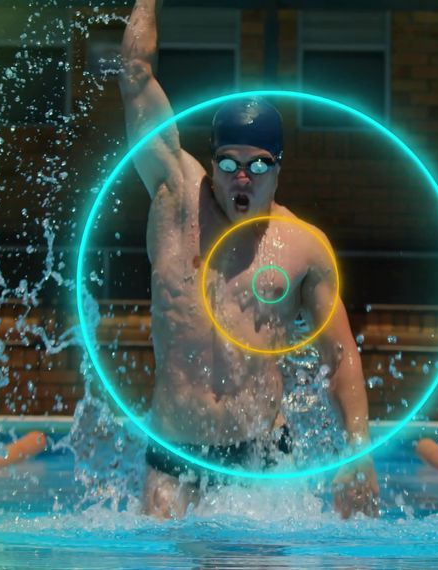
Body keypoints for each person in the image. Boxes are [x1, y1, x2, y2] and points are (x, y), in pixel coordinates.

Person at [119, 0, 378, 519]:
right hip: (174, 452)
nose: (243, 176)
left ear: (278, 169)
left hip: (260, 454)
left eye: (259, 164)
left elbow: (340, 355)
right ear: (210, 163)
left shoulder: (303, 245)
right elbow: (134, 73)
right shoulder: (175, 198)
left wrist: (358, 451)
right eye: (230, 162)